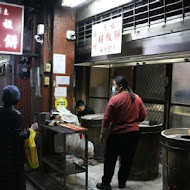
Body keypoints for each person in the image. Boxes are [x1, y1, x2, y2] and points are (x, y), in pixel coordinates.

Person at [96, 76, 146, 190]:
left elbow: (106, 119)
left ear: (120, 86)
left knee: (110, 159)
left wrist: (102, 133)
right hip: (132, 135)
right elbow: (143, 116)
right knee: (127, 160)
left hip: (117, 135)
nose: (113, 88)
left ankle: (106, 184)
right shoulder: (137, 98)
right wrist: (132, 122)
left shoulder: (115, 99)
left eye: (114, 86)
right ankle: (122, 183)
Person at [0, 85, 38, 190]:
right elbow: (18, 136)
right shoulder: (16, 115)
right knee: (16, 181)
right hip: (13, 155)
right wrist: (31, 130)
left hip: (1, 153)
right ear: (15, 98)